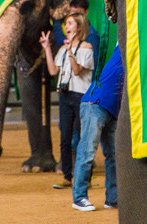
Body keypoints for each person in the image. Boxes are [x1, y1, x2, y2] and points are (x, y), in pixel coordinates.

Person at [40, 12, 94, 190]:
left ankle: (85, 177)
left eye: (70, 23)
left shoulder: (86, 48)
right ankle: (67, 176)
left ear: (79, 26)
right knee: (65, 138)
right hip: (64, 95)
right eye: (66, 23)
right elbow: (53, 71)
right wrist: (47, 48)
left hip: (80, 96)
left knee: (80, 138)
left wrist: (70, 51)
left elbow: (77, 71)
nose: (67, 26)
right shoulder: (62, 49)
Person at [71, 47, 123, 211]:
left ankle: (112, 198)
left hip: (112, 110)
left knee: (114, 155)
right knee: (87, 152)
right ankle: (79, 198)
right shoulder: (125, 46)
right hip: (95, 104)